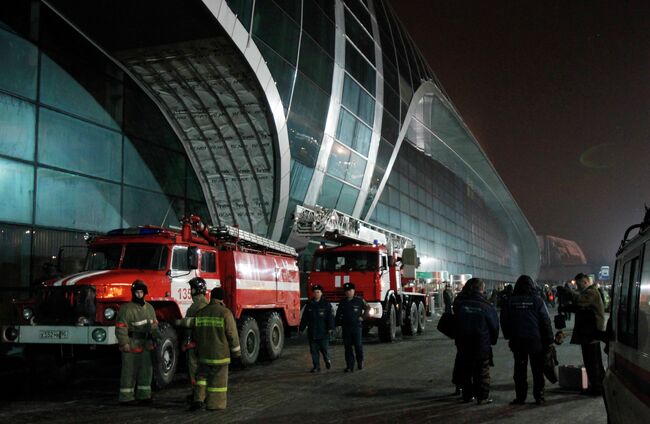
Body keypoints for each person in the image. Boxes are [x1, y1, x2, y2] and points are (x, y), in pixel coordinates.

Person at [500, 275, 554, 405]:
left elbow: (504, 320)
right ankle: (539, 396)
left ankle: (520, 397)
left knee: (519, 369)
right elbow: (545, 322)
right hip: (535, 340)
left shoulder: (510, 301)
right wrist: (549, 339)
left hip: (518, 340)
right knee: (537, 369)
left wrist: (508, 335)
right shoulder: (537, 301)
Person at [190, 287, 241, 411]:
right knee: (218, 381)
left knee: (201, 377)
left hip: (203, 355)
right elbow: (232, 335)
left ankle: (198, 400)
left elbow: (195, 334)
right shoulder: (225, 313)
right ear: (222, 298)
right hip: (220, 356)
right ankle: (214, 404)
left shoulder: (200, 313)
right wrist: (237, 354)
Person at [557, 273, 606, 396]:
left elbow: (579, 301)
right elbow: (580, 307)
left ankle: (597, 388)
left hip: (591, 332)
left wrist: (567, 291)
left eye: (578, 285)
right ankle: (598, 385)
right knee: (593, 361)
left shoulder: (591, 292)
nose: (577, 288)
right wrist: (566, 308)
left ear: (585, 282)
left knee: (592, 362)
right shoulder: (590, 292)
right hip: (589, 332)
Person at [453, 277, 499, 405]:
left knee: (466, 370)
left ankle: (467, 396)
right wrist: (492, 341)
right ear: (482, 290)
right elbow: (494, 327)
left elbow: (455, 321)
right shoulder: (486, 306)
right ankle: (482, 397)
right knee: (482, 371)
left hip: (463, 343)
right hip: (481, 343)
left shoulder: (460, 303)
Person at [115, 280, 160, 405]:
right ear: (133, 293)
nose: (139, 294)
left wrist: (156, 338)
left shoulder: (150, 308)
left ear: (144, 293)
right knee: (129, 371)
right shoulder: (126, 309)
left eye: (141, 292)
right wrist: (124, 343)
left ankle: (144, 395)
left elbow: (155, 325)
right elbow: (121, 326)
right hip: (132, 344)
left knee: (146, 370)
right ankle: (126, 397)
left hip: (146, 344)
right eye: (137, 292)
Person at [179, 277, 210, 398]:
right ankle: (199, 394)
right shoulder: (203, 303)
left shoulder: (199, 305)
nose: (190, 291)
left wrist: (180, 322)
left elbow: (197, 324)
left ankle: (198, 396)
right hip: (199, 343)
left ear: (196, 290)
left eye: (191, 289)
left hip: (195, 344)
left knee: (195, 371)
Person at [300, 284, 334, 373]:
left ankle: (327, 360)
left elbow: (330, 317)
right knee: (314, 350)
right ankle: (316, 366)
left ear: (321, 293)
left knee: (324, 349)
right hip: (312, 332)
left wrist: (330, 328)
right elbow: (305, 318)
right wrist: (301, 328)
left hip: (323, 332)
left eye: (318, 292)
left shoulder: (326, 304)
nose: (316, 294)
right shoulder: (309, 304)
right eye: (314, 292)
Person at [335, 282, 368, 372]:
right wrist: (336, 325)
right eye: (346, 291)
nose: (348, 292)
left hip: (357, 327)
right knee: (347, 347)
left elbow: (368, 309)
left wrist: (363, 317)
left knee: (358, 346)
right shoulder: (342, 302)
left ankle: (360, 362)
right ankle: (349, 366)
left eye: (350, 290)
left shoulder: (359, 300)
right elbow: (338, 315)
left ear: (353, 291)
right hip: (346, 328)